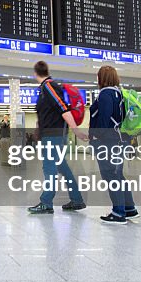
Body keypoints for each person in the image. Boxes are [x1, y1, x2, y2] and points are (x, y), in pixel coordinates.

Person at [28, 61, 85, 214]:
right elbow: (48, 113)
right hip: (52, 134)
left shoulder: (49, 86)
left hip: (53, 135)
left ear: (35, 73)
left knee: (49, 168)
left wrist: (76, 130)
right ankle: (77, 199)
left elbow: (63, 108)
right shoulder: (44, 88)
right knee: (62, 167)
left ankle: (46, 202)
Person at [89, 65, 137, 223]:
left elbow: (104, 119)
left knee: (110, 175)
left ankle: (118, 212)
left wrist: (95, 136)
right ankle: (129, 208)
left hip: (108, 142)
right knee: (118, 175)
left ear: (101, 78)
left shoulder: (105, 94)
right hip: (120, 139)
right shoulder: (119, 93)